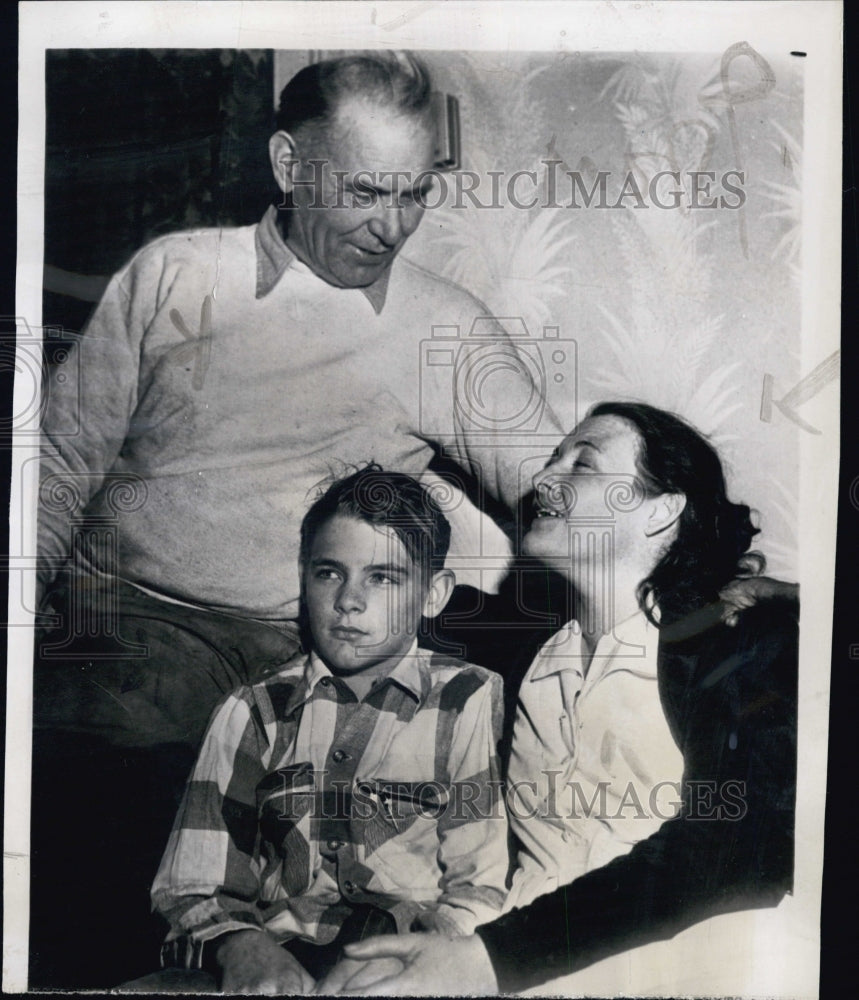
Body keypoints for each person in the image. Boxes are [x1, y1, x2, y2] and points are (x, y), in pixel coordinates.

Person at [31, 52, 554, 987]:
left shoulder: (444, 328)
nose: (391, 226)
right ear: (287, 165)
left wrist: (691, 567)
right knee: (105, 802)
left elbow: (554, 492)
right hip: (137, 624)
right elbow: (58, 464)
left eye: (414, 194)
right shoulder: (176, 274)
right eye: (362, 192)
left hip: (314, 651)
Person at [315, 402, 798, 996]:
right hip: (503, 953)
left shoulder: (743, 641)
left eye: (583, 464)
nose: (543, 480)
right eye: (551, 461)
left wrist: (489, 960)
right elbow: (367, 598)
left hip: (678, 970)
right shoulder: (516, 645)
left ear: (663, 509)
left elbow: (732, 851)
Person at [141, 466, 507, 994]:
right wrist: (242, 946)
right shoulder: (255, 709)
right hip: (273, 964)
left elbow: (481, 884)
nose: (348, 600)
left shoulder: (467, 698)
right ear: (303, 576)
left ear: (434, 595)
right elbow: (193, 882)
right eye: (329, 573)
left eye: (382, 577)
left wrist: (423, 958)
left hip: (407, 967)